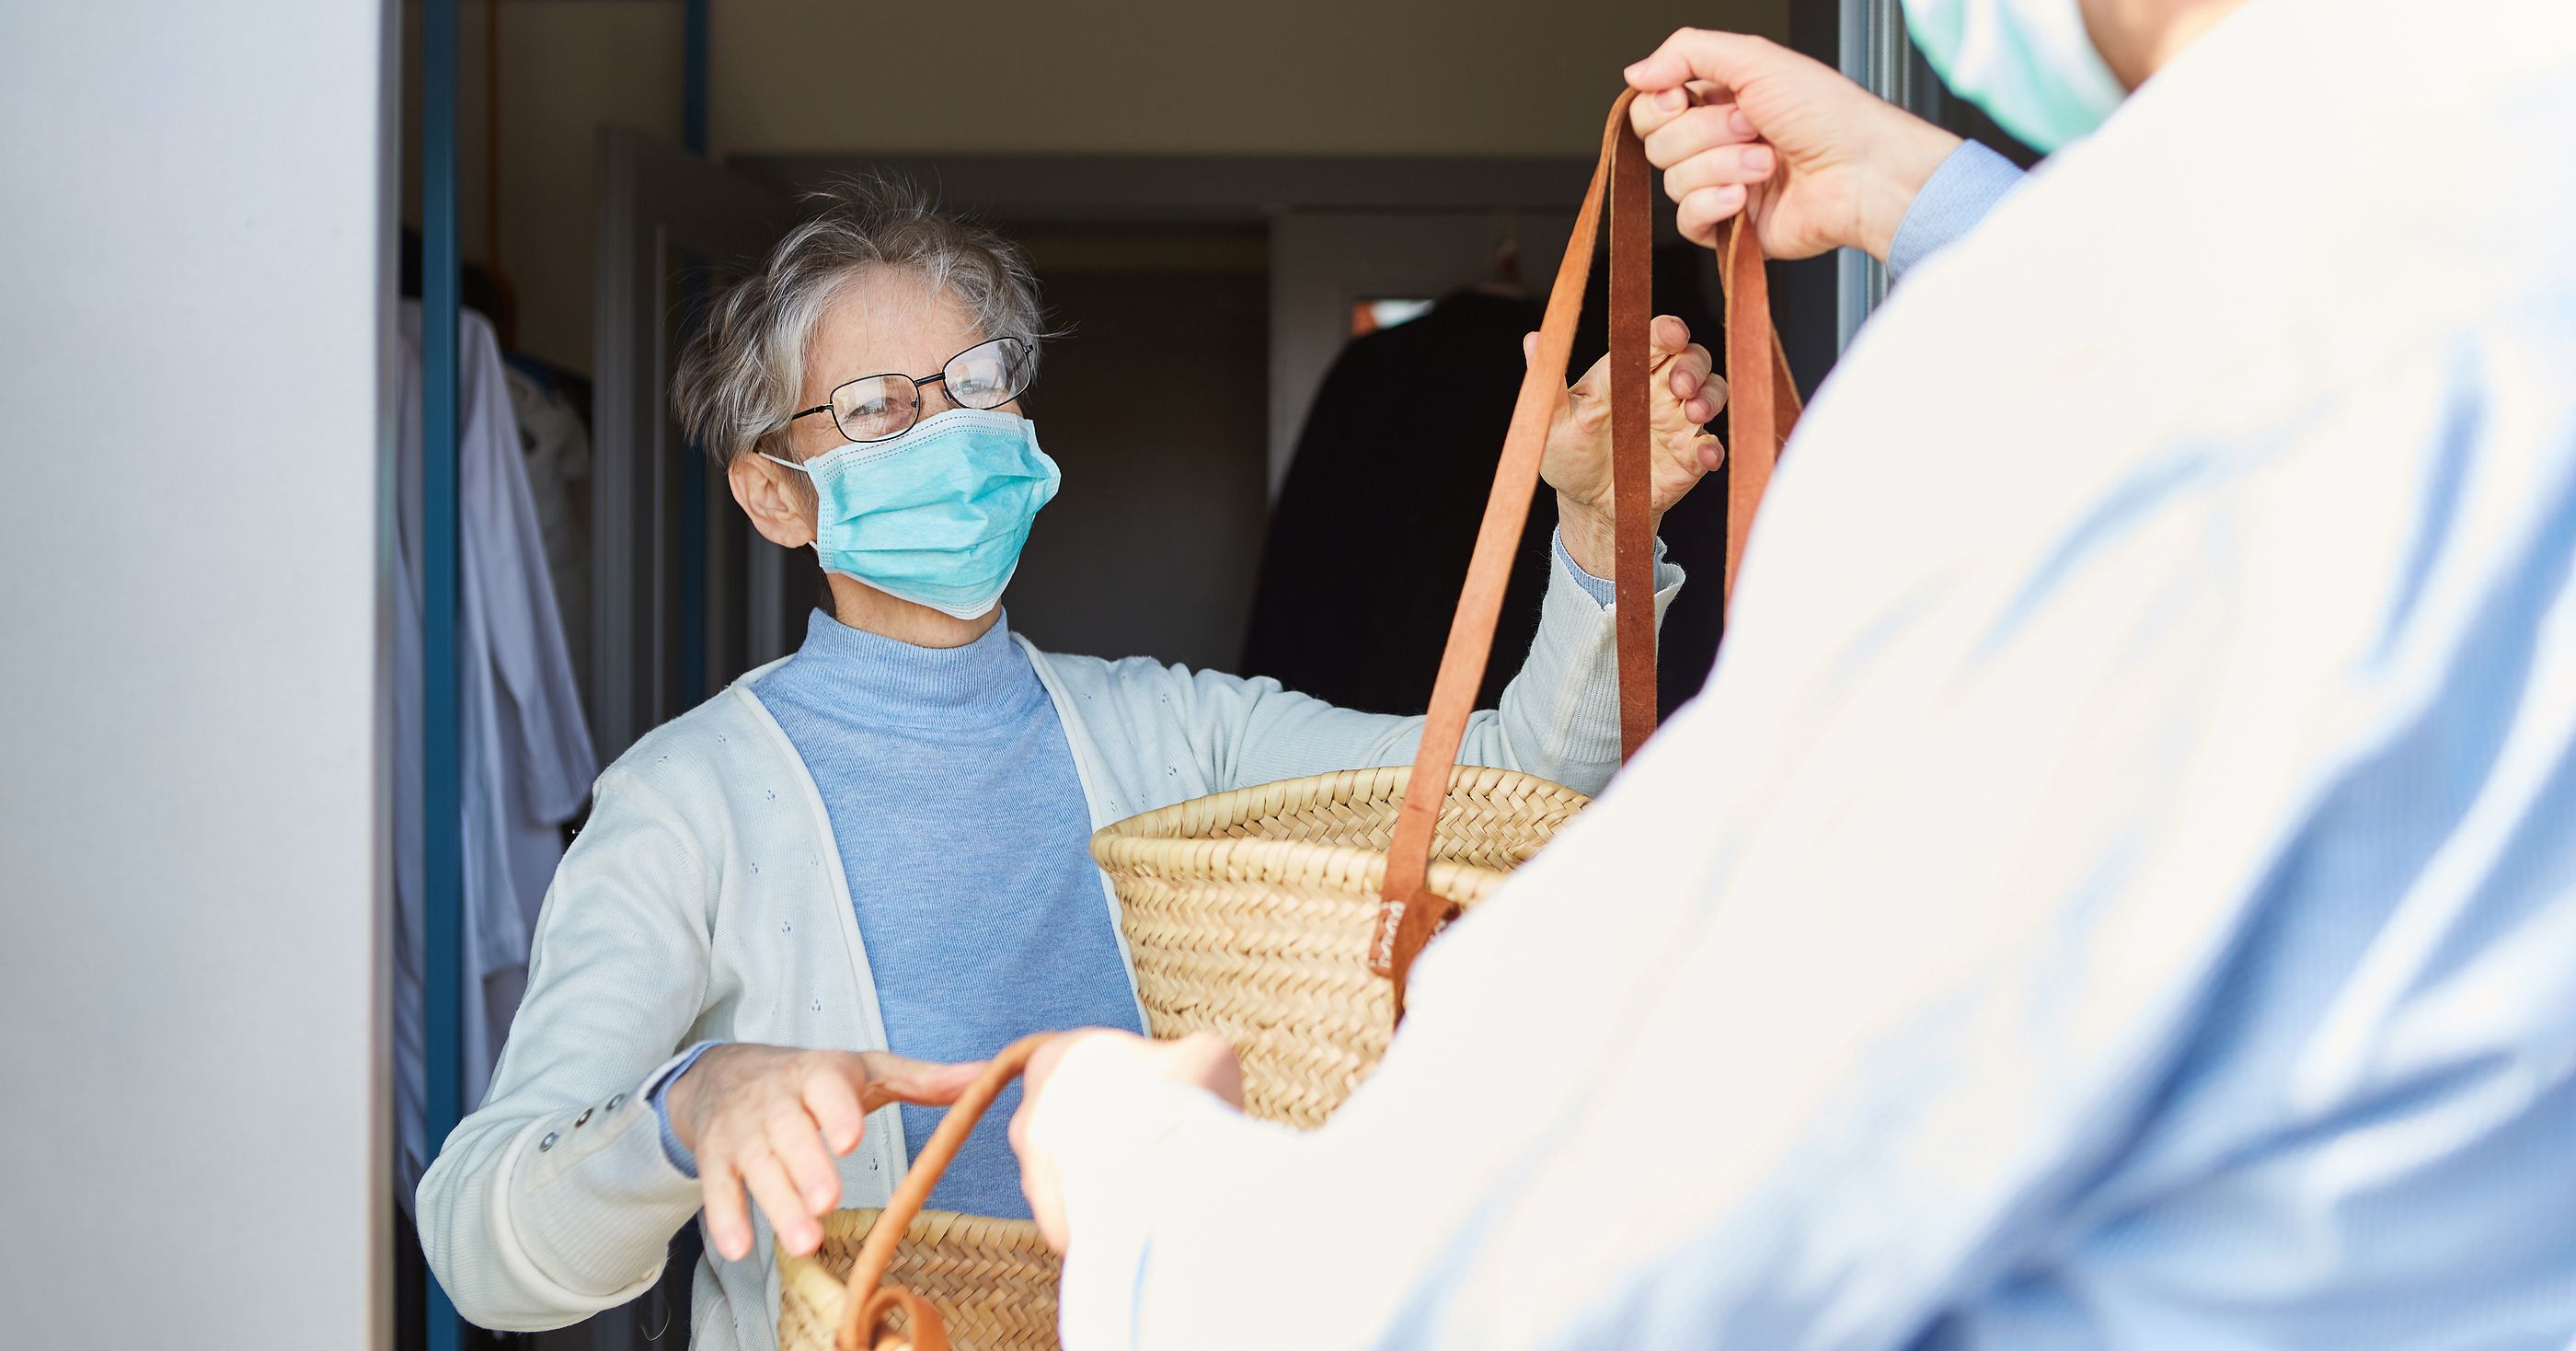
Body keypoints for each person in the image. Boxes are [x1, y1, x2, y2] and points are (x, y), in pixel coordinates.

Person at [1004, 0, 2576, 1346]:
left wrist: (1139, 1180)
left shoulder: (2136, 389)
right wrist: (1937, 204)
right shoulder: (2446, 231)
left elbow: (1531, 1288)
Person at [414, 175, 1728, 1347]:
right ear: (775, 497)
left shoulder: (1173, 736)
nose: (947, 431)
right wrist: (689, 1106)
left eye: (976, 383)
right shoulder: (683, 806)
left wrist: (1599, 531)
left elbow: (1520, 802)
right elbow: (483, 1244)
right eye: (875, 410)